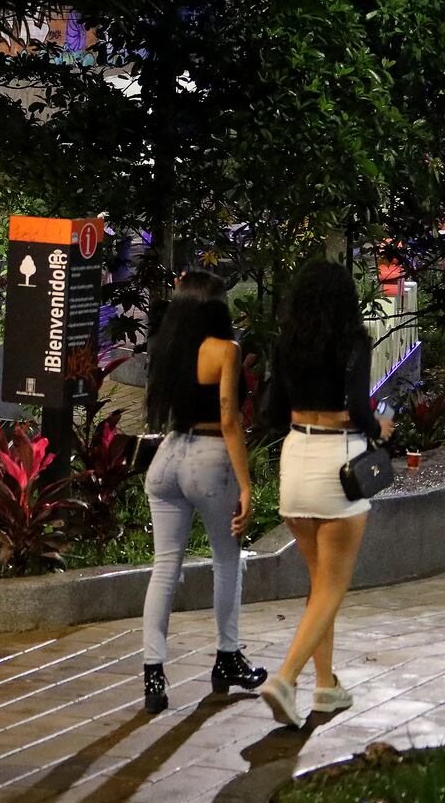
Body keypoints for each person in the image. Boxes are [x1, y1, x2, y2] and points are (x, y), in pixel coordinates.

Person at [259, 261, 393, 727]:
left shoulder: (287, 344)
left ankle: (326, 687)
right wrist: (381, 426)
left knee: (321, 589)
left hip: (295, 458)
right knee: (333, 587)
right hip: (338, 466)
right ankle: (286, 679)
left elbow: (273, 409)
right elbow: (358, 409)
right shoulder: (353, 341)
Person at [140, 270, 266, 713]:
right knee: (226, 559)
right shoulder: (225, 350)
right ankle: (227, 657)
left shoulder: (165, 348)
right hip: (211, 456)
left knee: (164, 567)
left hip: (168, 457)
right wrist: (246, 484)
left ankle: (153, 671)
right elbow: (230, 418)